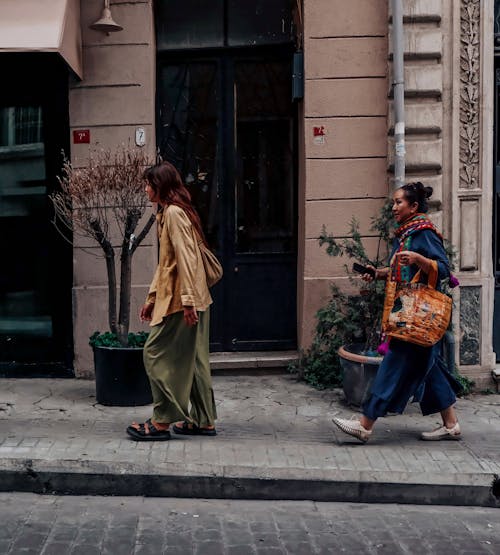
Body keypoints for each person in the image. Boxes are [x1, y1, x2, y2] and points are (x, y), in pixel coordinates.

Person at [332, 182, 463, 443]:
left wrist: (421, 260)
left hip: (417, 316)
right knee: (431, 366)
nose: (393, 207)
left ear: (413, 206)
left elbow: (445, 270)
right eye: (394, 202)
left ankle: (365, 424)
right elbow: (401, 271)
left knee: (392, 366)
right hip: (411, 314)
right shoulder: (406, 234)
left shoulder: (423, 233)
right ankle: (451, 424)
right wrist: (378, 273)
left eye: (398, 202)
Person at [127, 161, 217, 441]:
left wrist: (188, 302)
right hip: (191, 297)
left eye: (148, 184)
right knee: (196, 361)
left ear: (160, 187)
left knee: (154, 353)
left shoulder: (175, 214)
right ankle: (204, 421)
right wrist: (152, 298)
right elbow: (167, 264)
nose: (145, 189)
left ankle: (162, 421)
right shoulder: (170, 213)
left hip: (183, 301)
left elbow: (186, 259)